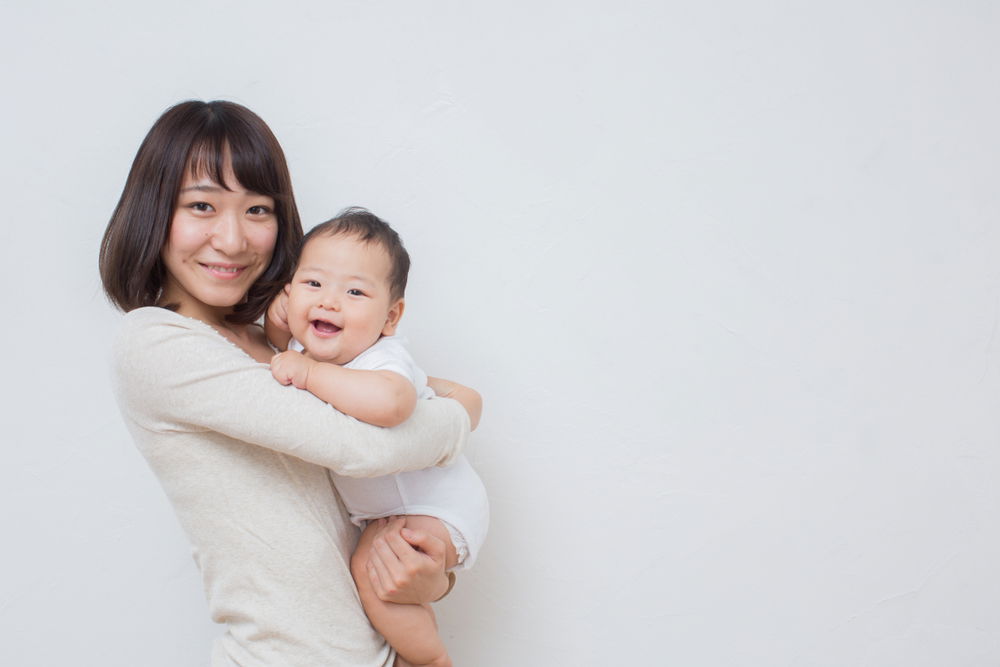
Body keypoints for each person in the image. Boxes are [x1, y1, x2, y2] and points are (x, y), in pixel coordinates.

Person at [99, 100, 473, 667]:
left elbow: (401, 418)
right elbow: (366, 446)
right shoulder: (156, 343)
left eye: (257, 210)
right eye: (202, 205)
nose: (231, 239)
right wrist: (462, 415)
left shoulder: (282, 347)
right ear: (154, 212)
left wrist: (427, 582)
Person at [266, 209, 489, 667]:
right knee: (379, 576)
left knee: (371, 570)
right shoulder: (309, 347)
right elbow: (276, 339)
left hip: (434, 506)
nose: (329, 302)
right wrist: (277, 317)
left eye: (354, 292)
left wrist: (310, 374)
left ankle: (430, 660)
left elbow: (391, 405)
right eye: (313, 284)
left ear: (390, 317)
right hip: (392, 509)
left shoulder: (382, 359)